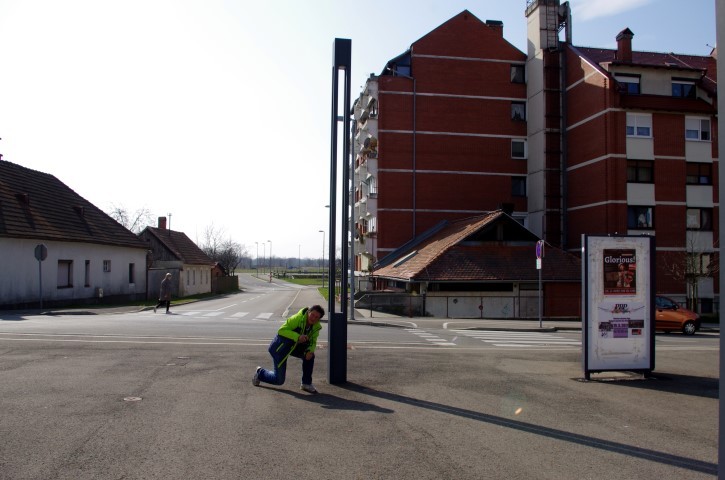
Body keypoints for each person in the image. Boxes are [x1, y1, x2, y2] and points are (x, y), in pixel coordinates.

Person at [253, 304, 324, 393]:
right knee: (279, 380)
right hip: (280, 348)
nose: (313, 318)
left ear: (319, 319)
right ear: (308, 312)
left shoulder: (316, 327)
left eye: (316, 317)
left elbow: (313, 342)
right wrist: (298, 337)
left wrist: (310, 350)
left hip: (294, 347)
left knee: (310, 355)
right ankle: (260, 373)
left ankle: (306, 383)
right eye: (312, 314)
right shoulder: (297, 318)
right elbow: (281, 331)